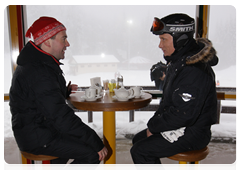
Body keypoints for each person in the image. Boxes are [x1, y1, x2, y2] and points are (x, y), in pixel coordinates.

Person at [9, 16, 107, 170]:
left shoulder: (39, 64)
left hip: (40, 130)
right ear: (47, 41)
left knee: (78, 142)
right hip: (37, 136)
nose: (67, 44)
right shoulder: (38, 71)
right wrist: (95, 141)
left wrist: (64, 90)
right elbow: (60, 115)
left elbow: (43, 98)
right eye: (64, 39)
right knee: (92, 153)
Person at [130, 13, 218, 170]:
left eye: (163, 39)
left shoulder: (194, 69)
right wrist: (161, 79)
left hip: (194, 132)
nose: (160, 45)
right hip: (185, 125)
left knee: (140, 151)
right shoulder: (180, 61)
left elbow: (183, 114)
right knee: (138, 140)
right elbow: (174, 96)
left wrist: (154, 127)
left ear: (180, 39)